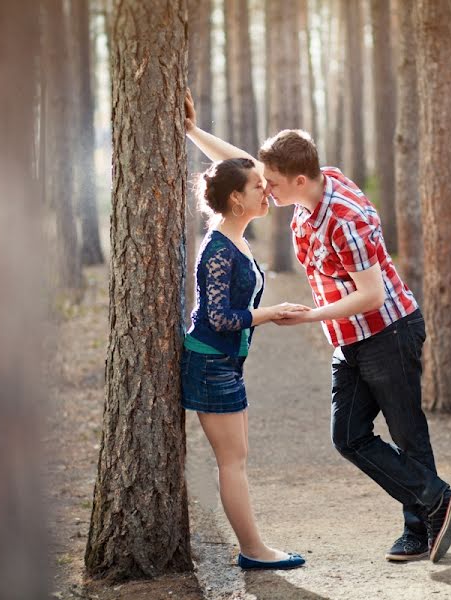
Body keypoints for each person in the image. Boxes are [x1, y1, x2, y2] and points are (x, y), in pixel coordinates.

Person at [184, 91, 451, 563]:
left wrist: (308, 315)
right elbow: (241, 165)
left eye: (270, 183)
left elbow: (372, 295)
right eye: (261, 183)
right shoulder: (309, 183)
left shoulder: (345, 220)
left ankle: (421, 527)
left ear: (296, 179)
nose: (265, 189)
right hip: (349, 337)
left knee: (407, 432)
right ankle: (432, 499)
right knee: (349, 436)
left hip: (387, 331)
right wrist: (191, 131)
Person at [181, 155, 309, 570]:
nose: (266, 190)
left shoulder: (235, 238)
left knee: (237, 459)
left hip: (226, 363)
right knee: (232, 463)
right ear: (236, 199)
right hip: (210, 363)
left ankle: (254, 548)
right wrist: (270, 313)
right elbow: (216, 317)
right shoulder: (218, 248)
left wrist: (196, 130)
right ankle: (254, 551)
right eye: (257, 186)